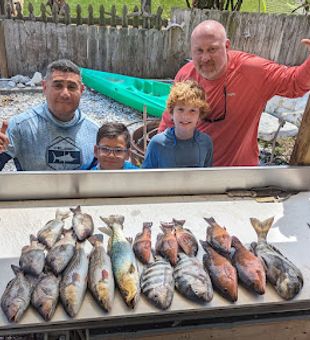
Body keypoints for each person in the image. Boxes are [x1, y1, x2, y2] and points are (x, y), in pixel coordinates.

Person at [158, 20, 310, 166]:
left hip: (238, 174)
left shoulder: (251, 71)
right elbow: (168, 121)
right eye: (199, 50)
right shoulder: (185, 76)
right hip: (194, 170)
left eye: (212, 49)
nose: (205, 58)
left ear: (227, 46)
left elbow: (295, 83)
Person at [0, 59, 99, 171]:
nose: (65, 94)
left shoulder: (95, 132)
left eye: (72, 87)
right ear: (45, 87)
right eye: (58, 86)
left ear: (81, 90)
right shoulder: (19, 127)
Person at [142, 80, 213, 168]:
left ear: (200, 116)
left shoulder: (205, 143)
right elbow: (146, 178)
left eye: (192, 110)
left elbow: (206, 176)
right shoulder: (157, 144)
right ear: (171, 113)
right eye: (180, 109)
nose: (185, 116)